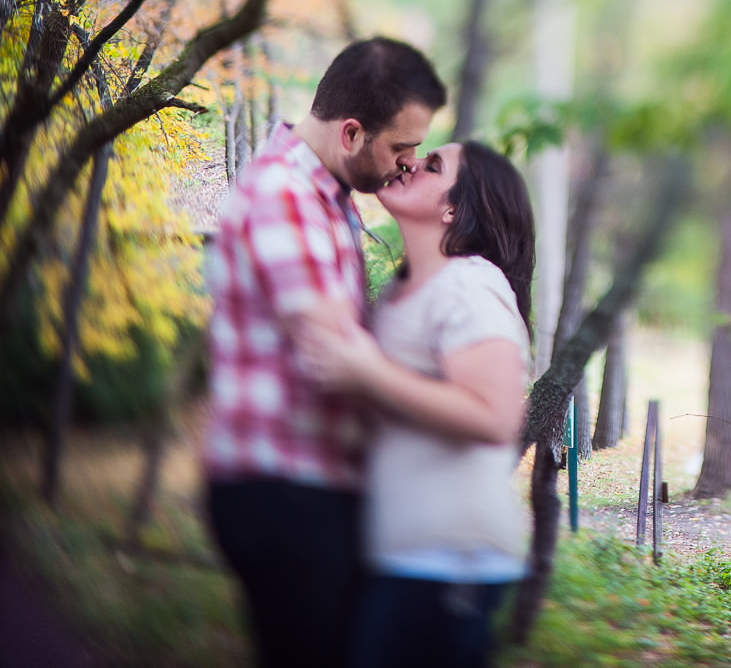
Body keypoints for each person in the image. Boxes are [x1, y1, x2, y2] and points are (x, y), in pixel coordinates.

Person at [202, 37, 447, 668]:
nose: (406, 164)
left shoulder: (325, 197)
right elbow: (336, 358)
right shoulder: (285, 194)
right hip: (285, 489)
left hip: (308, 486)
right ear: (352, 133)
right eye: (401, 148)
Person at [296, 140, 535, 668]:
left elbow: (496, 418)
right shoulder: (402, 294)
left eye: (433, 166)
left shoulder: (470, 284)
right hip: (401, 559)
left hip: (450, 565)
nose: (409, 161)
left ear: (455, 209)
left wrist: (368, 373)